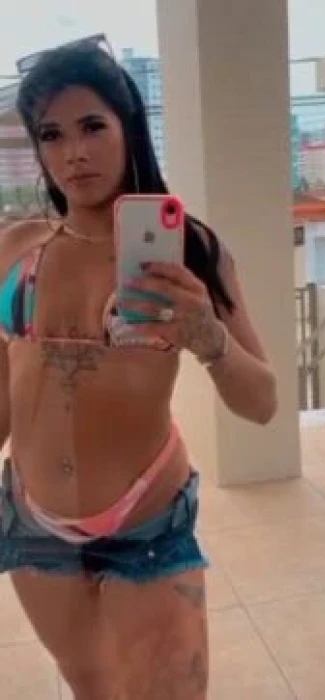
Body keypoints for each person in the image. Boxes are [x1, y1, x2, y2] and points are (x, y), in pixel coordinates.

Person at [0, 38, 277, 700]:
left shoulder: (189, 250)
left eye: (93, 125)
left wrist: (207, 336)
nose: (74, 152)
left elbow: (262, 402)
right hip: (34, 523)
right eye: (52, 134)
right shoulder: (15, 248)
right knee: (92, 689)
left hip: (146, 521)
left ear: (129, 127)